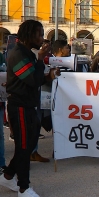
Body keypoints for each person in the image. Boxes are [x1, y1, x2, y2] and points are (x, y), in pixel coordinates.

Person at [0, 20, 59, 197]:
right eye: (39, 34)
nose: (42, 38)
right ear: (28, 35)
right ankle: (24, 188)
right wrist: (41, 60)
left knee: (28, 144)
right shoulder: (18, 54)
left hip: (28, 105)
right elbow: (32, 80)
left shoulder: (27, 53)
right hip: (19, 107)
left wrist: (49, 76)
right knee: (24, 147)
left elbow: (34, 79)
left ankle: (8, 175)